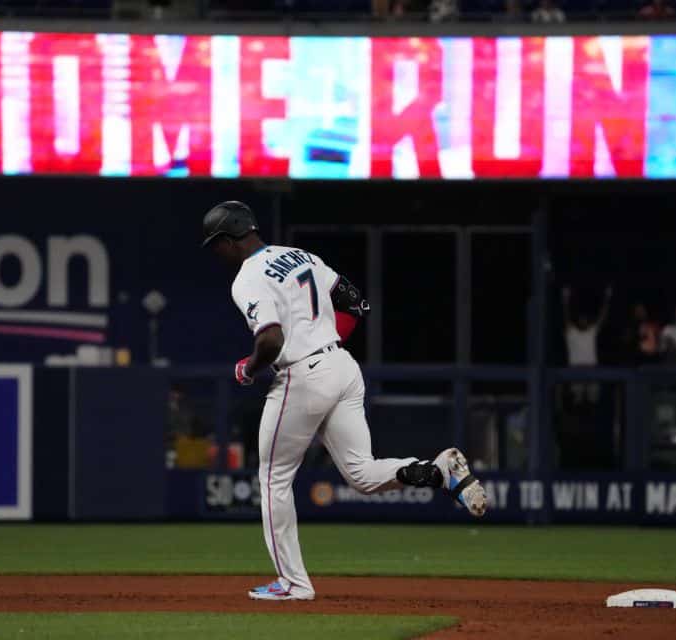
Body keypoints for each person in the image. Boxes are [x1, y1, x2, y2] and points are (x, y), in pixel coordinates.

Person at [202, 201, 486, 602]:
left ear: (231, 239)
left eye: (216, 244)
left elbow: (269, 340)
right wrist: (325, 347)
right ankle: (437, 471)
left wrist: (248, 369)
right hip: (342, 366)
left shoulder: (246, 278)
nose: (216, 252)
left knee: (272, 478)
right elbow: (355, 303)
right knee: (362, 473)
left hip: (303, 375)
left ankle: (293, 584)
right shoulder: (300, 255)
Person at [561, 286, 610, 403]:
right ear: (578, 322)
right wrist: (565, 300)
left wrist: (607, 298)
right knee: (577, 399)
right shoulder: (572, 333)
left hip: (592, 369)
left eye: (585, 320)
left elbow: (602, 318)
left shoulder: (591, 332)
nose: (583, 321)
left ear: (588, 322)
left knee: (594, 398)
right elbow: (566, 317)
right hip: (575, 369)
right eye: (581, 319)